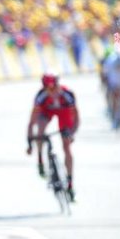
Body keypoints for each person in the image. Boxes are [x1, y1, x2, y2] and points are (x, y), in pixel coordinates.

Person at [26, 72, 79, 202]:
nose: (51, 91)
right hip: (47, 111)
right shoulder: (41, 97)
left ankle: (70, 182)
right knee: (40, 129)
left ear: (58, 85)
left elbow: (76, 118)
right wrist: (30, 143)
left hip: (64, 113)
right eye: (47, 89)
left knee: (66, 146)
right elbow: (32, 122)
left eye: (53, 88)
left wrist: (72, 133)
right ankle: (40, 160)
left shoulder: (67, 95)